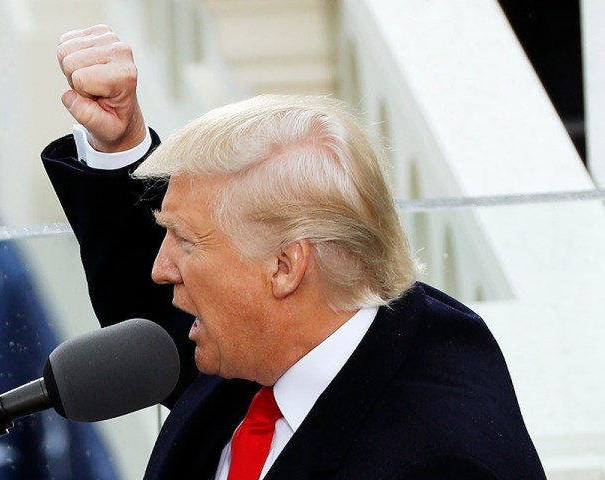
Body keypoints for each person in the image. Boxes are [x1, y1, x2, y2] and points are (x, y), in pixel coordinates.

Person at [42, 24, 546, 479]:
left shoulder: (441, 459)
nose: (160, 268)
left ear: (285, 267)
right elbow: (157, 333)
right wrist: (120, 144)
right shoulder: (276, 338)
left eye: (187, 242)